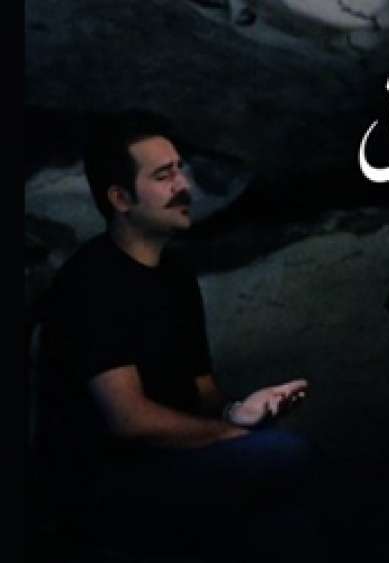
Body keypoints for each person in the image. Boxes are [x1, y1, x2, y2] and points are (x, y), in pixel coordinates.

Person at [35, 110, 328, 562]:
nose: (183, 185)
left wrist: (240, 411)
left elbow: (203, 393)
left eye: (180, 170)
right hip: (105, 483)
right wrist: (229, 435)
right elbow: (130, 420)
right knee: (290, 454)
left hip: (174, 464)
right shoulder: (91, 282)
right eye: (164, 176)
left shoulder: (175, 278)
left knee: (292, 529)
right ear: (121, 198)